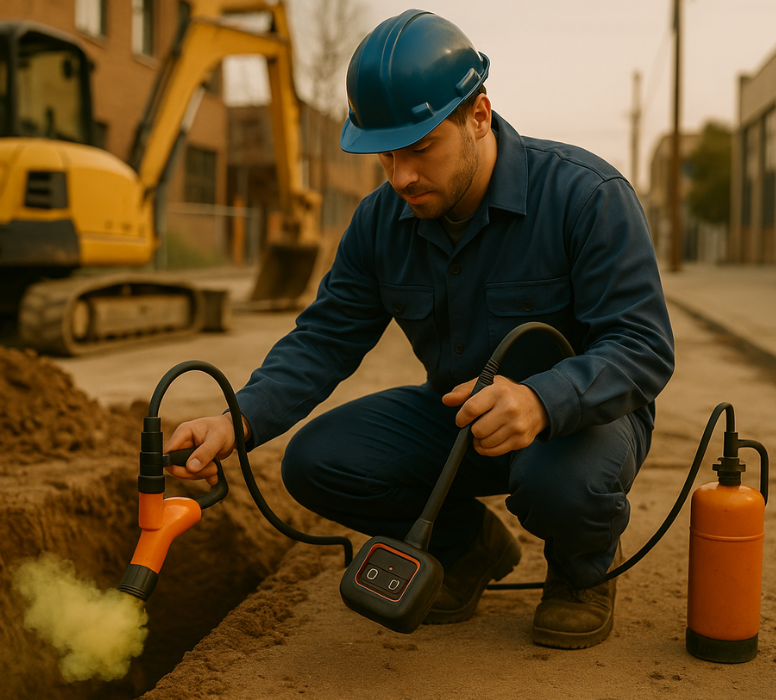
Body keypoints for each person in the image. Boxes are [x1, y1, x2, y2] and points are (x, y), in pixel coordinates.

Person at [164, 9, 675, 649]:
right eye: (385, 154)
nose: (401, 176)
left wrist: (542, 400)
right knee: (316, 462)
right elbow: (325, 338)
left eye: (420, 148)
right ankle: (467, 547)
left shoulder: (586, 195)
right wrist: (237, 420)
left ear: (478, 115)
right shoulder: (380, 222)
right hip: (459, 419)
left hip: (582, 423)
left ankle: (581, 571)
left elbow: (642, 346)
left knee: (560, 485)